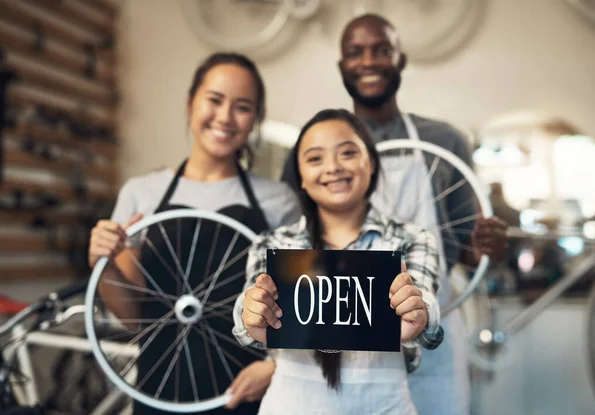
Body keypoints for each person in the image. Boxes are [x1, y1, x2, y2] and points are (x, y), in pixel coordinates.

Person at [279, 14, 509, 415]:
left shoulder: (444, 141)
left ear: (400, 59)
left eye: (381, 49)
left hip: (432, 326)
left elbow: (467, 250)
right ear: (342, 66)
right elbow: (297, 252)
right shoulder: (311, 146)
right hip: (342, 341)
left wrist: (490, 247)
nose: (369, 61)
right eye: (356, 52)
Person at [88, 53, 301, 415]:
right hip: (159, 386)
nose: (225, 117)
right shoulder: (141, 193)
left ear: (254, 121)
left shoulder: (278, 200)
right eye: (214, 100)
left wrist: (276, 367)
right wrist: (102, 263)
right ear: (190, 103)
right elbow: (136, 317)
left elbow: (301, 308)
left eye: (242, 107)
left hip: (249, 390)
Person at [233, 108, 444, 414]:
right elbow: (245, 322)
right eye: (315, 158)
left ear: (370, 163)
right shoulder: (272, 245)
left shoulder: (413, 239)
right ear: (301, 177)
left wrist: (420, 313)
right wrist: (250, 313)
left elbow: (427, 309)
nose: (332, 167)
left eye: (347, 153)